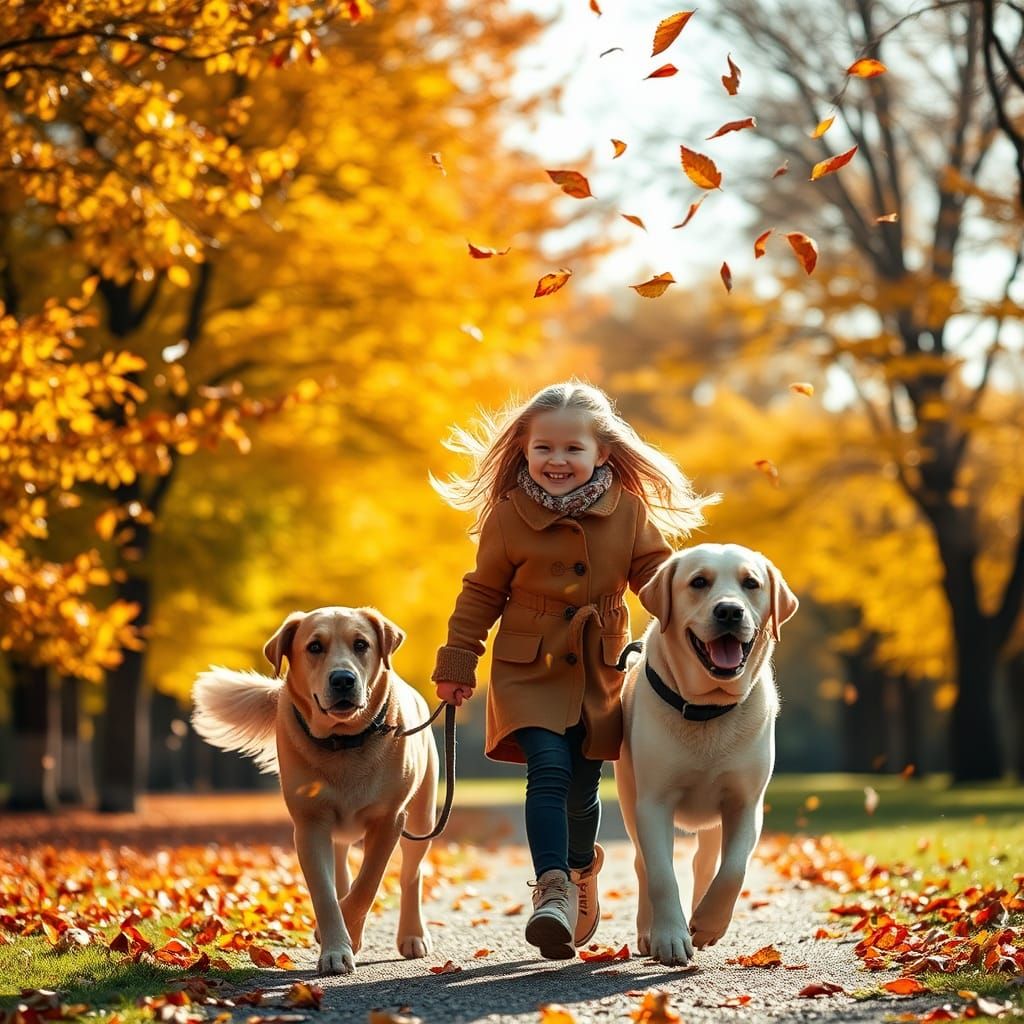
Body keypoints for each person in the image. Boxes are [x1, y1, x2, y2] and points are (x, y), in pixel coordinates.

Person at [431, 380, 715, 960]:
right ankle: (552, 889)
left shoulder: (629, 511)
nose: (556, 461)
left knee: (585, 786)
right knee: (550, 768)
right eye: (543, 449)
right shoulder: (509, 516)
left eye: (571, 450)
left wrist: (703, 626)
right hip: (527, 666)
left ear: (601, 454)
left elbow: (661, 582)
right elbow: (481, 592)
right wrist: (458, 660)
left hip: (599, 667)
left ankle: (581, 870)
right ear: (524, 451)